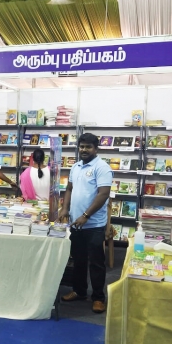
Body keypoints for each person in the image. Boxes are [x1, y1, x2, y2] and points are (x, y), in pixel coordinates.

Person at [59, 133, 112, 314]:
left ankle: (98, 298)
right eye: (81, 146)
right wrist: (65, 208)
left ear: (96, 149)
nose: (84, 150)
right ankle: (79, 291)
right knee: (78, 260)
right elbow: (69, 189)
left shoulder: (102, 167)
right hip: (76, 224)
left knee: (96, 263)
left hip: (94, 224)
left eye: (88, 147)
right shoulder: (76, 166)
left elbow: (103, 194)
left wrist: (86, 215)